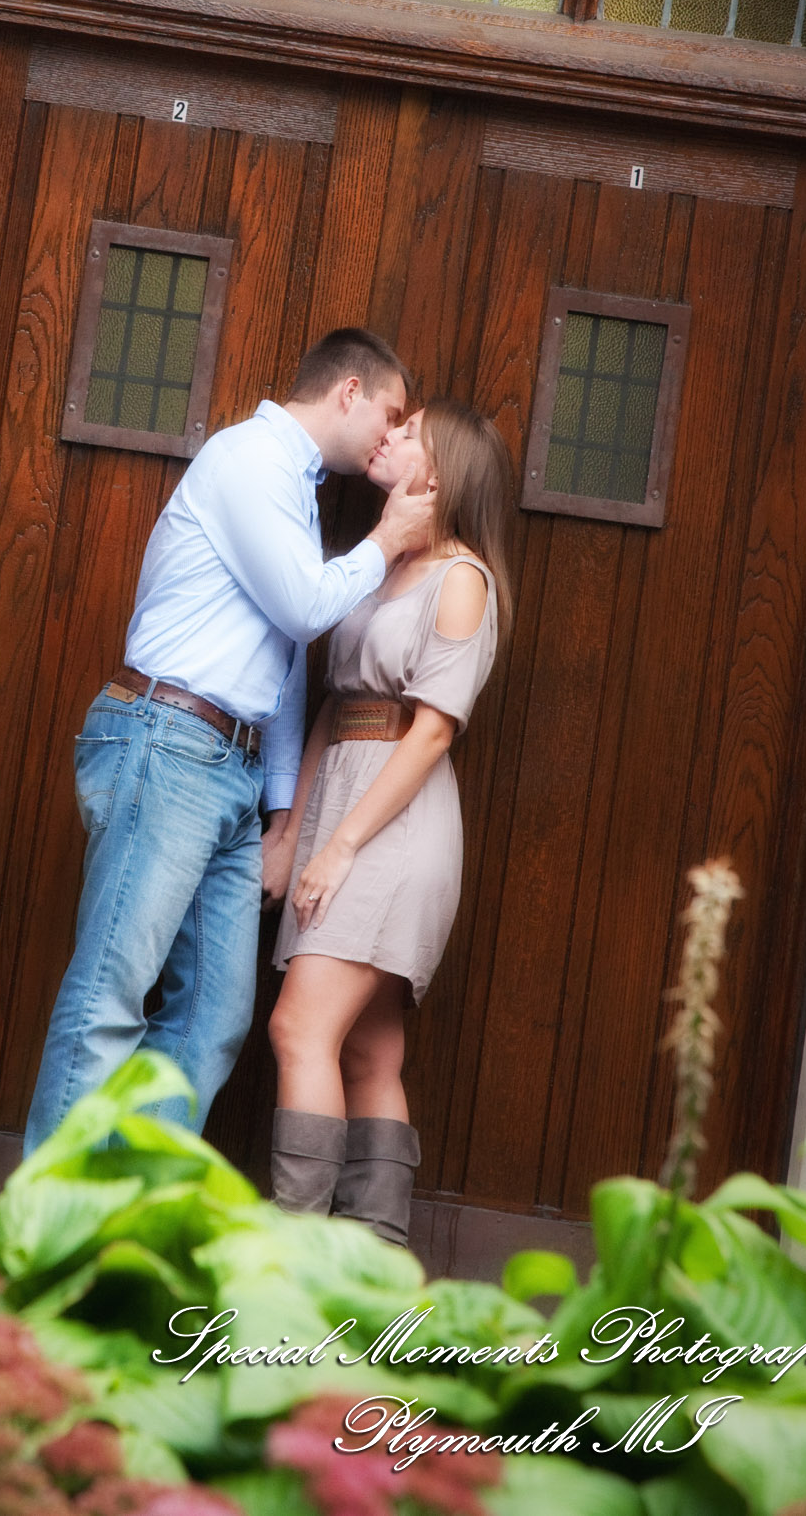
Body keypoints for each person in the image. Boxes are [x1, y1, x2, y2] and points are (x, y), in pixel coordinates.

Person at [23, 328, 436, 1153]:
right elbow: (303, 608)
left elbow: (280, 670)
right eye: (388, 415)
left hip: (226, 771)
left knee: (213, 1018)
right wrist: (386, 541)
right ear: (347, 392)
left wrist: (283, 815)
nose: (391, 438)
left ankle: (131, 1221)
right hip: (167, 741)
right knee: (114, 992)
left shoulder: (293, 488)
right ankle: (46, 1243)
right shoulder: (247, 459)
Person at [262, 398, 515, 1246]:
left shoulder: (463, 580)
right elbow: (337, 706)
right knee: (370, 1055)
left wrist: (338, 847)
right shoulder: (379, 564)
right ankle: (374, 1272)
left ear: (438, 472)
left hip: (395, 827)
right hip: (340, 801)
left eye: (410, 434)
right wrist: (294, 829)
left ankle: (297, 1265)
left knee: (299, 1027)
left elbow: (434, 729)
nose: (391, 436)